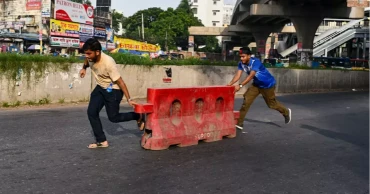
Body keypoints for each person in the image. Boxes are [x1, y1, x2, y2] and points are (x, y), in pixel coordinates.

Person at [79, 38, 145, 149]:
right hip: (100, 87)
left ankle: (137, 116)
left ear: (97, 52)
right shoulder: (90, 57)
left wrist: (129, 99)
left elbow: (120, 82)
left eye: (89, 53)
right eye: (86, 53)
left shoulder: (108, 63)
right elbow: (87, 61)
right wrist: (84, 68)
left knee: (113, 118)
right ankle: (101, 141)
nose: (87, 56)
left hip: (113, 89)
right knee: (91, 112)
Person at [227, 47, 292, 130]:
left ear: (249, 56)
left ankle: (286, 112)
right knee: (246, 100)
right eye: (240, 56)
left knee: (271, 104)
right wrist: (229, 84)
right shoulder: (241, 64)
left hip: (267, 85)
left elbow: (251, 76)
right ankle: (239, 123)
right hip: (256, 85)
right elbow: (237, 75)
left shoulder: (255, 62)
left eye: (243, 56)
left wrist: (240, 86)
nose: (241, 58)